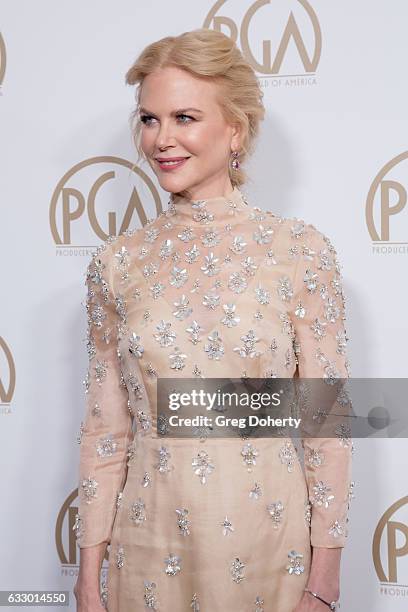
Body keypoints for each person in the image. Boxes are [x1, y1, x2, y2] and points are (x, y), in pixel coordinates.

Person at [73, 28, 353, 612]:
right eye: (149, 119)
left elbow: (326, 423)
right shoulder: (116, 264)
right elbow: (105, 433)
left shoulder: (299, 251)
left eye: (184, 117)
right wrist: (87, 581)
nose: (162, 140)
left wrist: (324, 583)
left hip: (270, 554)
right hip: (146, 551)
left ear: (236, 130)